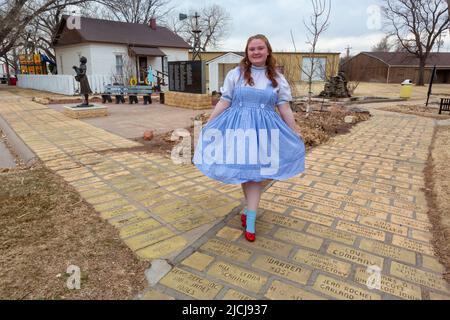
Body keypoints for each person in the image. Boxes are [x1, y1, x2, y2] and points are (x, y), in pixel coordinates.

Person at [193, 34, 305, 242]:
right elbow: (224, 101)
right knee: (249, 174)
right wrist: (209, 124)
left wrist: (295, 129)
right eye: (252, 49)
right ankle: (250, 217)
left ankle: (249, 214)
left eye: (260, 48)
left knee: (258, 174)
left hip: (265, 132)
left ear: (268, 51)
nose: (256, 52)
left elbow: (284, 108)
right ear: (247, 52)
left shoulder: (278, 78)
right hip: (239, 130)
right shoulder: (236, 74)